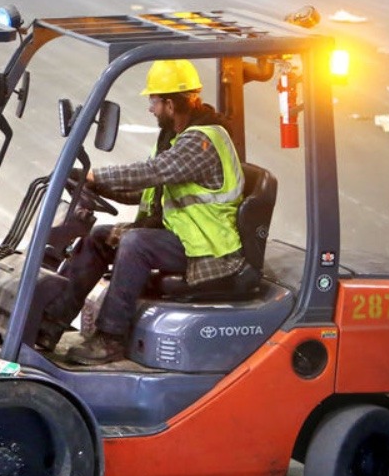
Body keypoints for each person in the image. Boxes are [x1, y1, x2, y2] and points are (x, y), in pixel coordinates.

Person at [40, 59, 247, 366]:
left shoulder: (202, 139)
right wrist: (92, 185)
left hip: (208, 249)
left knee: (135, 244)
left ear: (170, 104)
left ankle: (110, 339)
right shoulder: (175, 138)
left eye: (154, 101)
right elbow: (147, 189)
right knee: (99, 237)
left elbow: (154, 171)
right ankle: (47, 324)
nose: (150, 108)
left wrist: (97, 176)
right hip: (181, 235)